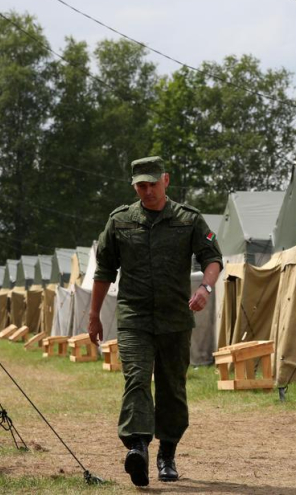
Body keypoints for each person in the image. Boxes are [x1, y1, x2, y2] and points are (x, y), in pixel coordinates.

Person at [89, 156, 222, 487]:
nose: (147, 191)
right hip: (134, 317)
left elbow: (213, 258)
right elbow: (104, 269)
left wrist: (205, 288)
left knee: (172, 388)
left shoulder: (188, 220)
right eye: (141, 186)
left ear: (166, 180)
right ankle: (137, 447)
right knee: (136, 380)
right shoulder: (119, 221)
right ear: (134, 186)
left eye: (152, 184)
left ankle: (167, 454)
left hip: (176, 320)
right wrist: (93, 315)